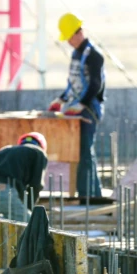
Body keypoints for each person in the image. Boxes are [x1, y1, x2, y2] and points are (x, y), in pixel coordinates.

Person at [48, 13, 105, 198]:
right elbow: (73, 83)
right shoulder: (76, 54)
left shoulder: (94, 56)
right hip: (77, 108)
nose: (69, 42)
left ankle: (92, 195)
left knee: (86, 153)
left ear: (78, 33)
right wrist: (61, 100)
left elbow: (96, 85)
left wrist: (82, 104)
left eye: (69, 38)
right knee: (79, 153)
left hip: (89, 110)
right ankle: (84, 193)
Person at [0, 132, 48, 221]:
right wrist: (28, 208)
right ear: (42, 146)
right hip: (4, 192)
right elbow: (36, 185)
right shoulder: (38, 152)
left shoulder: (5, 149)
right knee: (30, 224)